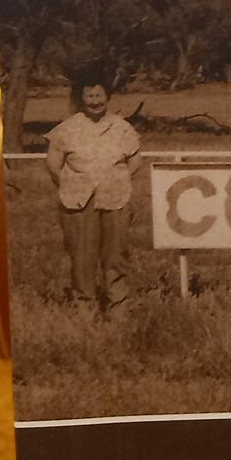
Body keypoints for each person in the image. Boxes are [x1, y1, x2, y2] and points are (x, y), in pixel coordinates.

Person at [45, 73, 141, 310]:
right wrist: (70, 184)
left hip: (115, 199)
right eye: (89, 96)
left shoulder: (122, 128)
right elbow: (53, 163)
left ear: (108, 97)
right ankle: (84, 307)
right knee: (82, 256)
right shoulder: (67, 128)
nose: (95, 101)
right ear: (82, 98)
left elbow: (135, 160)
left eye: (99, 95)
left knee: (116, 255)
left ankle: (119, 305)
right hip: (78, 200)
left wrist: (118, 180)